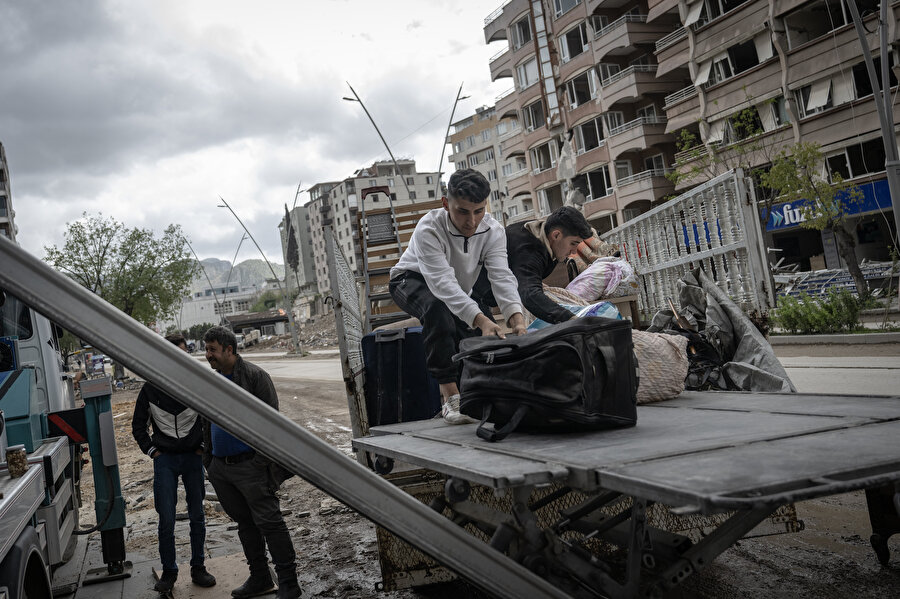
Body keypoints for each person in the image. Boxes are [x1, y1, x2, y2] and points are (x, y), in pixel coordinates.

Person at [389, 169, 527, 424]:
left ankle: (477, 395)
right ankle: (450, 398)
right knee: (438, 311)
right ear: (445, 204)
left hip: (457, 288)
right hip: (410, 279)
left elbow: (501, 275)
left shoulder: (493, 231)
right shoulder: (429, 228)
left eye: (479, 211)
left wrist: (516, 317)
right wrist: (479, 319)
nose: (471, 222)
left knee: (483, 333)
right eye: (462, 211)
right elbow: (442, 284)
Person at [201, 326, 300, 599]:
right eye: (206, 349)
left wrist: (259, 463)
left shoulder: (256, 377)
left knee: (270, 522)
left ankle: (289, 583)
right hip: (222, 468)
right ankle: (260, 578)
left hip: (251, 467)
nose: (208, 355)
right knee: (245, 523)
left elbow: (273, 425)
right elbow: (204, 421)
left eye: (212, 350)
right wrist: (209, 462)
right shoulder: (211, 381)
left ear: (229, 350)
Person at [131, 333, 216, 593]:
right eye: (175, 353)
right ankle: (169, 573)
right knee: (166, 519)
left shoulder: (197, 384)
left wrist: (202, 447)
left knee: (197, 515)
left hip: (192, 458)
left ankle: (198, 568)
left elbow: (211, 418)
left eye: (184, 353)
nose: (182, 358)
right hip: (165, 461)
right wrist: (152, 451)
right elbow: (137, 426)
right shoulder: (150, 388)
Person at [473, 206, 594, 325]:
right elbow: (529, 294)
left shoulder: (544, 235)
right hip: (470, 295)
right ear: (556, 235)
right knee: (488, 340)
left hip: (485, 296)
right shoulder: (528, 249)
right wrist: (570, 319)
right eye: (573, 243)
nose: (574, 251)